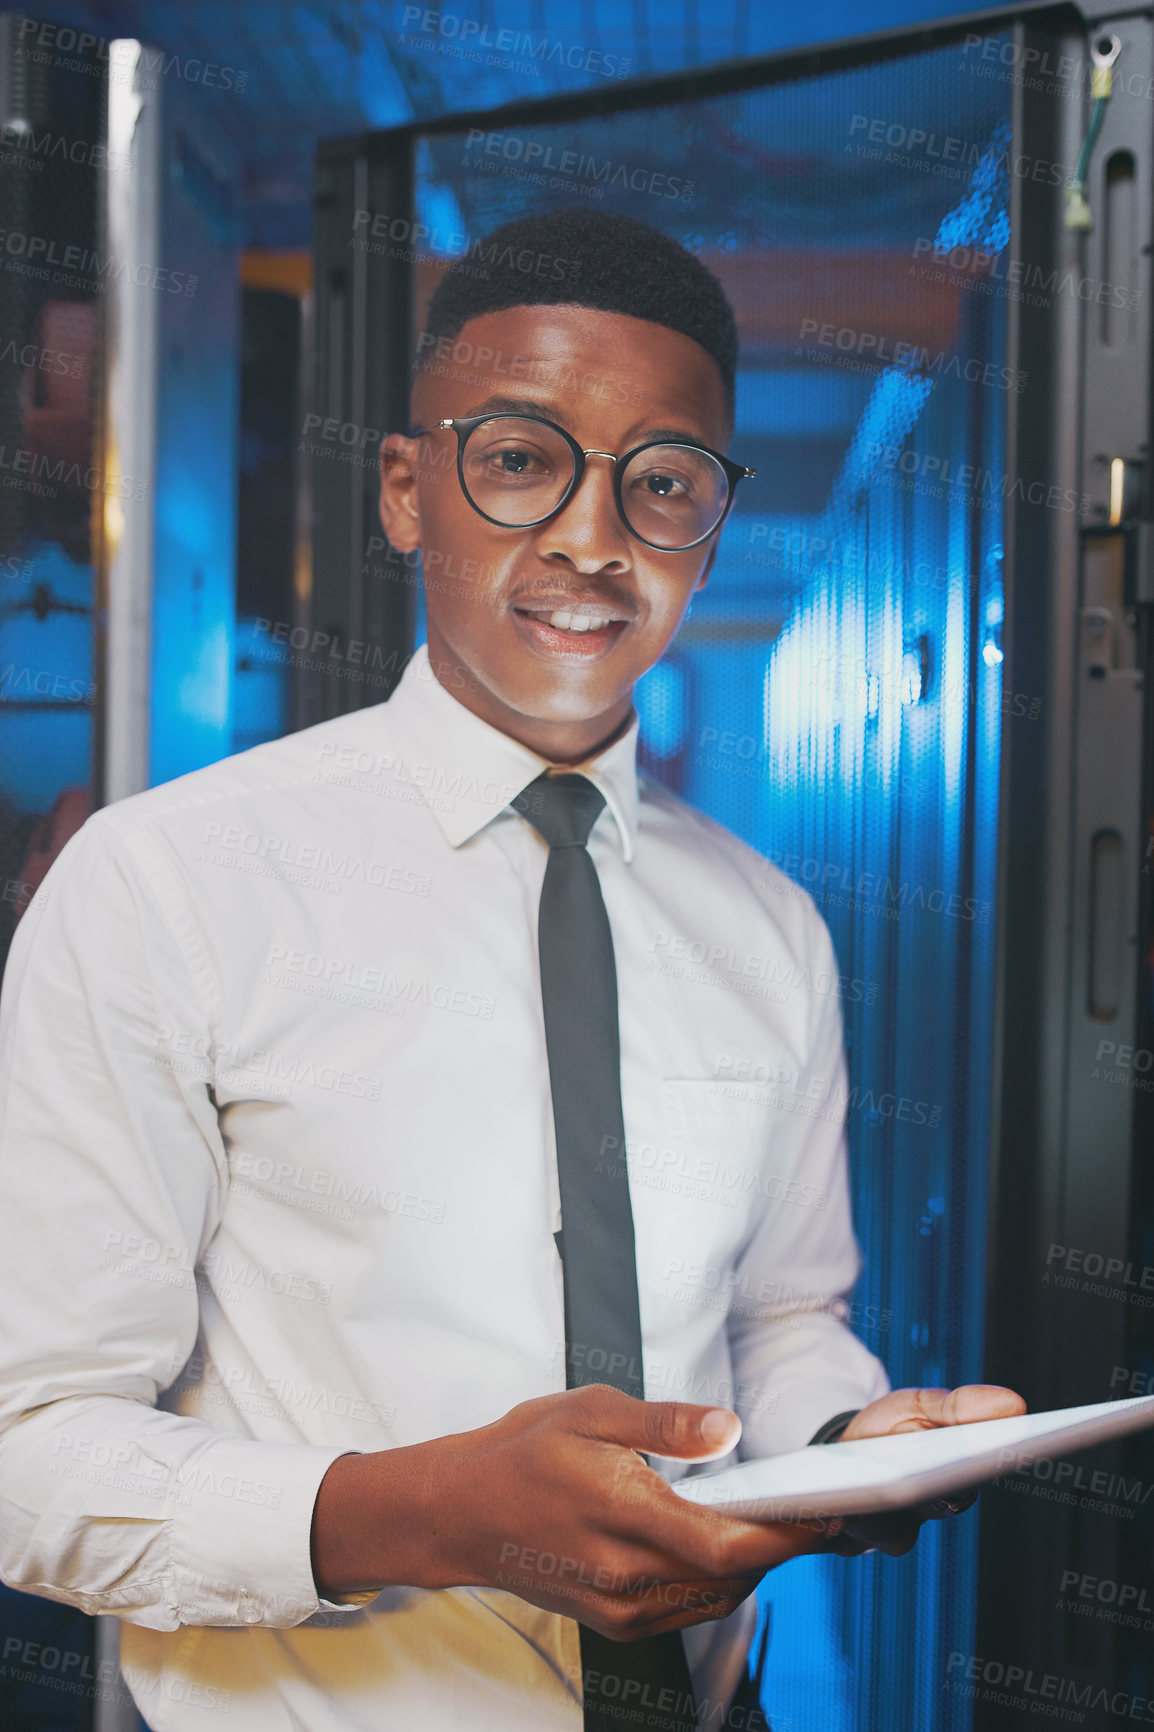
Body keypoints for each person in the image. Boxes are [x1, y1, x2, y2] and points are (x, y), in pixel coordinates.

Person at [0, 208, 1023, 1732]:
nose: (593, 539)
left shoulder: (768, 928)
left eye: (662, 482)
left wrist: (854, 1435)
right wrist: (434, 1514)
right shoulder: (169, 882)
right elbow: (34, 1449)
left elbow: (779, 1318)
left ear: (710, 531)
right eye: (521, 459)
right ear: (410, 492)